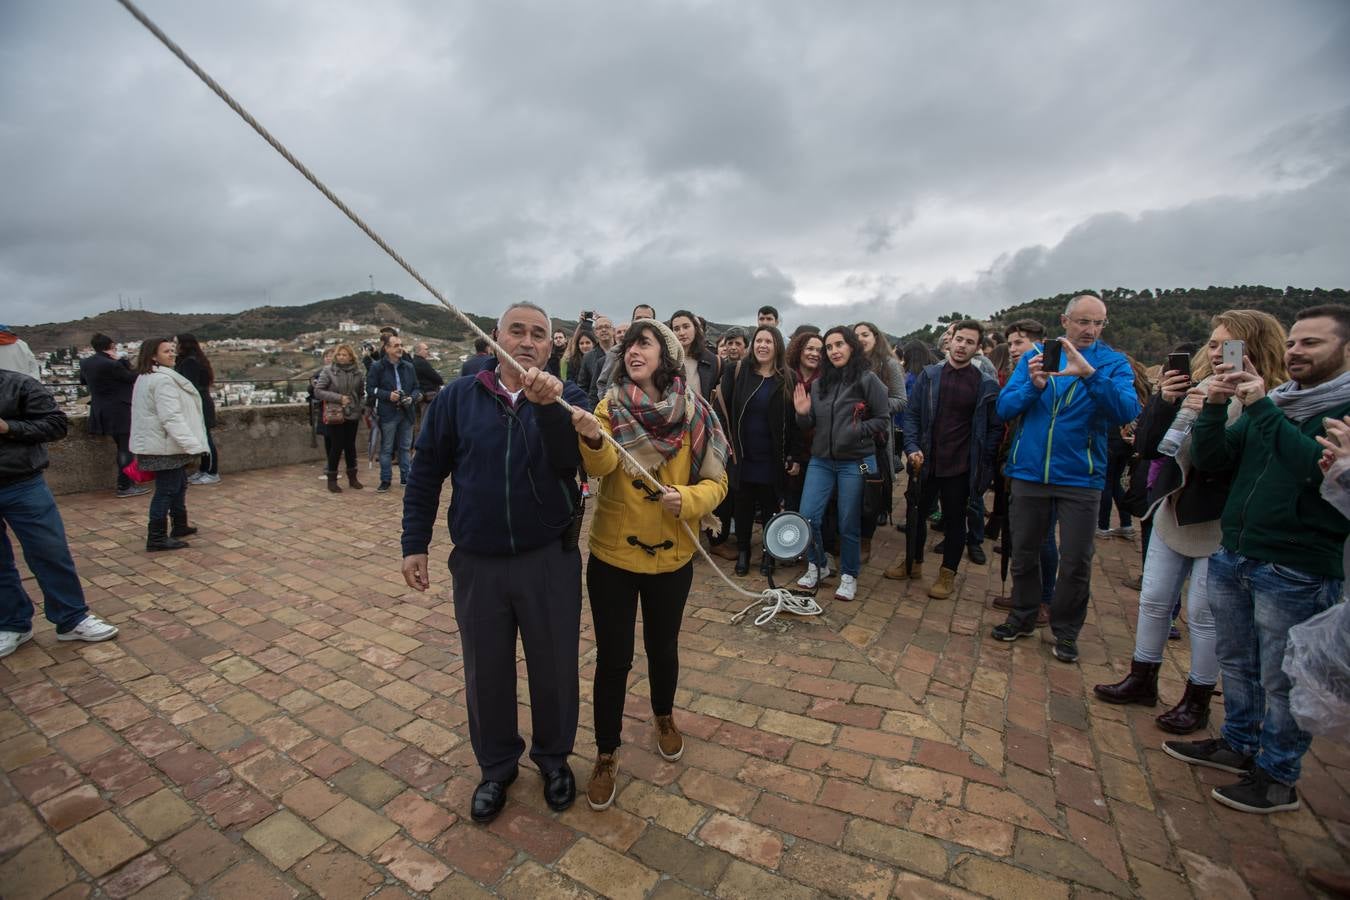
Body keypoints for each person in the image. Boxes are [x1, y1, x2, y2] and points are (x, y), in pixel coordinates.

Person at [401, 302, 589, 823]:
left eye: (539, 334)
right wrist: (414, 542)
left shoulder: (570, 398)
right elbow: (426, 471)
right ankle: (496, 767)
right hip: (478, 563)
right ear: (494, 338)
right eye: (517, 331)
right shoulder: (458, 397)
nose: (527, 341)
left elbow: (571, 462)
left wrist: (547, 407)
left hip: (548, 559)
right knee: (486, 672)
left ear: (551, 347)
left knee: (555, 668)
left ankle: (554, 760)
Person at [1164, 304, 1350, 815]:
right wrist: (1212, 408)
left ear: (1345, 349)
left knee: (1282, 676)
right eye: (1292, 343)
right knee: (1238, 660)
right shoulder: (1279, 398)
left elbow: (1315, 473)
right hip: (1238, 551)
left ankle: (1277, 776)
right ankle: (1238, 742)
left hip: (1296, 566)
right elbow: (1216, 459)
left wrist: (1262, 407)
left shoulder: (1337, 411)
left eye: (1311, 343)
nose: (1296, 352)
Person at [1095, 311, 1287, 735]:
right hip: (1175, 507)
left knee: (1203, 613)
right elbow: (1149, 447)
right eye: (1213, 343)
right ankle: (1142, 678)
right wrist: (1164, 401)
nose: (1217, 353)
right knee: (1154, 599)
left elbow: (1234, 459)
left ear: (1254, 348)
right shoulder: (1197, 388)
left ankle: (1197, 698)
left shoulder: (1270, 400)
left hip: (1220, 519)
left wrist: (1232, 405)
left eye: (1228, 345)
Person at [569, 319, 728, 810]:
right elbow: (600, 469)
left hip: (673, 557)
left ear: (668, 355)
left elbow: (718, 481)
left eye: (645, 343)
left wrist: (690, 498)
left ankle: (663, 715)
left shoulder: (697, 412)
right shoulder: (608, 407)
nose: (632, 351)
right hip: (614, 557)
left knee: (663, 649)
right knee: (613, 659)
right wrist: (593, 441)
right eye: (628, 345)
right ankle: (606, 751)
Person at [990, 294, 1141, 662]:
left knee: (1076, 560)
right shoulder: (1036, 356)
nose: (1090, 330)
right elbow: (1004, 408)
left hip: (1080, 477)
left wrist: (1090, 375)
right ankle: (1023, 616)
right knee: (1024, 552)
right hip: (1029, 471)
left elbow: (1126, 410)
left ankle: (1067, 630)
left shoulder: (1112, 363)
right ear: (1065, 321)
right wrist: (1033, 385)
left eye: (1098, 323)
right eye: (1083, 321)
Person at [0, 369, 119, 657]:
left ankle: (71, 618)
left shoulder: (18, 384)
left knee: (50, 552)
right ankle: (12, 624)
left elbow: (55, 425)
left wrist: (7, 427)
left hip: (22, 482)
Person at [887, 320, 999, 599]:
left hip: (960, 465)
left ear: (977, 347)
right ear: (951, 341)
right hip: (925, 461)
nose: (962, 346)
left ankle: (947, 573)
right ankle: (912, 563)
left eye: (969, 342)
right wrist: (912, 446)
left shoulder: (984, 384)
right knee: (915, 514)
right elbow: (912, 415)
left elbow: (993, 428)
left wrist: (983, 464)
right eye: (959, 339)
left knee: (954, 520)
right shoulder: (930, 375)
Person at [793, 326, 889, 601]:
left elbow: (882, 419)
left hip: (855, 462)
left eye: (839, 344)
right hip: (821, 460)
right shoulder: (820, 384)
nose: (834, 351)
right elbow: (810, 424)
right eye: (829, 347)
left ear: (851, 346)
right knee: (808, 516)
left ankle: (849, 574)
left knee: (848, 521)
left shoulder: (867, 379)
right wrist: (802, 414)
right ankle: (818, 564)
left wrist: (855, 430)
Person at [719, 325, 801, 576]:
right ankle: (743, 551)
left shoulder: (789, 377)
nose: (763, 345)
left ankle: (769, 553)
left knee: (769, 507)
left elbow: (795, 421)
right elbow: (723, 412)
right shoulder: (737, 372)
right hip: (742, 455)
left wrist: (794, 455)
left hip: (772, 457)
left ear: (778, 346)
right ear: (752, 345)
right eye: (758, 340)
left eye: (768, 341)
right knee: (742, 507)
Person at [989, 320, 1056, 626]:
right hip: (1019, 462)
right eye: (1011, 343)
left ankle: (1044, 601)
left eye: (1020, 342)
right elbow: (1006, 410)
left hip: (1047, 467)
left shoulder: (1056, 374)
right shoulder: (1020, 373)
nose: (1013, 349)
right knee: (1022, 536)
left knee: (1043, 539)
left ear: (1040, 343)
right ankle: (1024, 594)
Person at [130, 338, 209, 552]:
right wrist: (193, 445)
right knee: (166, 490)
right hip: (164, 445)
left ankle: (179, 524)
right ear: (153, 356)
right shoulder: (162, 380)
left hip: (160, 443)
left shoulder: (146, 377)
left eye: (173, 350)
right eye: (166, 351)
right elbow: (171, 417)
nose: (173, 354)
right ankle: (156, 537)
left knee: (178, 484)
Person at [854, 322, 908, 562]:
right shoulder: (850, 364)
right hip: (849, 440)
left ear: (876, 337)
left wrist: (874, 405)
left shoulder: (889, 364)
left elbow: (901, 400)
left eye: (865, 334)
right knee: (849, 491)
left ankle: (865, 540)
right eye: (855, 336)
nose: (860, 339)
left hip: (874, 442)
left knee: (869, 490)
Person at [79, 333, 144, 498]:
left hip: (100, 409)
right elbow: (132, 377)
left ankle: (127, 484)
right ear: (112, 345)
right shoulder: (113, 364)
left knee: (121, 447)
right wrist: (123, 361)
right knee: (125, 449)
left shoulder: (85, 362)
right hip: (120, 410)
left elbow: (83, 381)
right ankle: (125, 485)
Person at [367, 335, 420, 493]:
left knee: (405, 447)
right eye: (396, 345)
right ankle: (385, 480)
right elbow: (370, 389)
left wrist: (411, 398)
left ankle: (406, 477)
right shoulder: (377, 367)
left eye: (401, 345)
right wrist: (387, 395)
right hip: (388, 413)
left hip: (406, 412)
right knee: (387, 448)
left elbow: (416, 388)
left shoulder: (408, 367)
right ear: (387, 348)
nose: (400, 348)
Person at [313, 343, 367, 493]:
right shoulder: (328, 371)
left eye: (345, 355)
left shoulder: (358, 373)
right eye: (339, 355)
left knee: (350, 446)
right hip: (336, 413)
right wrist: (338, 398)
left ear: (351, 357)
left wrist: (360, 406)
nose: (341, 357)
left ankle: (352, 477)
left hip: (353, 413)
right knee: (336, 446)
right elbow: (318, 391)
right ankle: (332, 479)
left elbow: (361, 393)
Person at [784, 331, 825, 513]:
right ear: (799, 350)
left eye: (819, 350)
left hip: (817, 453)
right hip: (791, 451)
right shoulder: (786, 377)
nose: (814, 354)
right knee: (792, 503)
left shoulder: (826, 381)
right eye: (809, 349)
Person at [174, 334, 220, 486]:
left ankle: (212, 472)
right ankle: (204, 469)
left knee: (206, 439)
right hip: (200, 402)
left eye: (176, 343)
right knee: (202, 438)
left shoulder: (190, 362)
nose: (174, 346)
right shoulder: (192, 360)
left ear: (184, 345)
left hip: (200, 404)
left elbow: (189, 385)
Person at [594, 305, 656, 401]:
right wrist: (607, 404)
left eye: (647, 319)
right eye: (638, 318)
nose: (642, 322)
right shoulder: (616, 351)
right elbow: (602, 382)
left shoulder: (662, 349)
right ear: (632, 322)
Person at [668, 311, 722, 399]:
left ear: (695, 329)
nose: (682, 333)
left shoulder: (713, 361)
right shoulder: (666, 360)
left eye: (686, 327)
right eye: (676, 329)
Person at [578, 316, 614, 404]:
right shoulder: (588, 357)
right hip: (596, 405)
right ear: (595, 332)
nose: (603, 330)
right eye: (600, 328)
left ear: (613, 330)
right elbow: (583, 386)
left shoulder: (623, 352)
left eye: (607, 327)